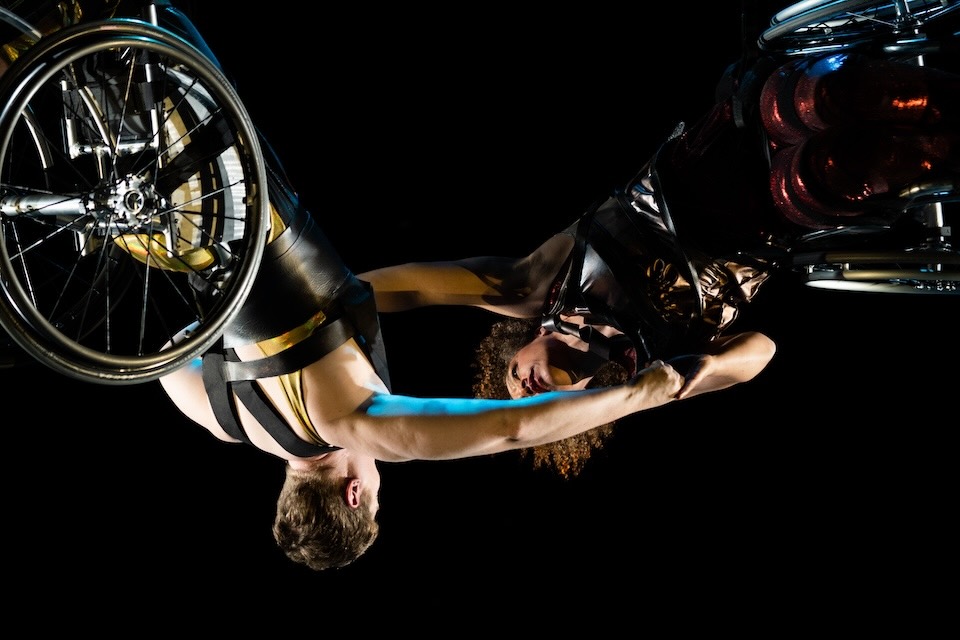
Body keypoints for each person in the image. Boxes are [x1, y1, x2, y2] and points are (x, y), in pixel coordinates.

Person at [0, 0, 767, 572]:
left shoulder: (359, 429)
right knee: (121, 69)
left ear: (356, 496)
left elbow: (512, 429)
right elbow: (170, 354)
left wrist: (650, 392)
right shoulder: (222, 421)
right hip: (177, 247)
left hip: (237, 218)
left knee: (146, 32)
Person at [358, 32, 959, 477]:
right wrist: (693, 378)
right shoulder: (657, 361)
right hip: (781, 214)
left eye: (516, 380)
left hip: (715, 155)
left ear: (515, 350)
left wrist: (327, 300)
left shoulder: (536, 288)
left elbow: (420, 287)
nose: (531, 384)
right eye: (539, 400)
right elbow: (761, 351)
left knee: (811, 102)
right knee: (835, 172)